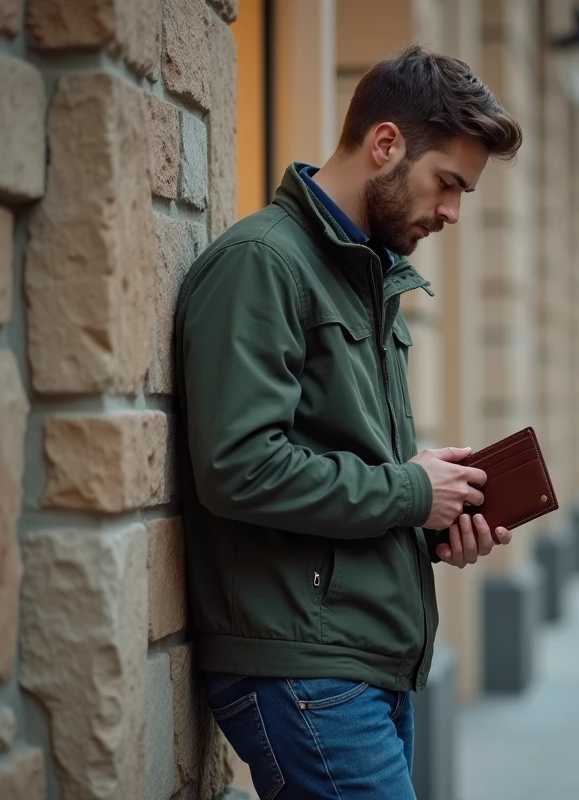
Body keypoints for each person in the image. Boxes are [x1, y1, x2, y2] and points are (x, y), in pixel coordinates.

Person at [173, 45, 524, 799]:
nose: (453, 212)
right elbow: (240, 466)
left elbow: (339, 463)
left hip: (359, 664)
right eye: (449, 184)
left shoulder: (367, 273)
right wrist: (407, 491)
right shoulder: (263, 264)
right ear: (386, 143)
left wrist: (432, 515)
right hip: (303, 668)